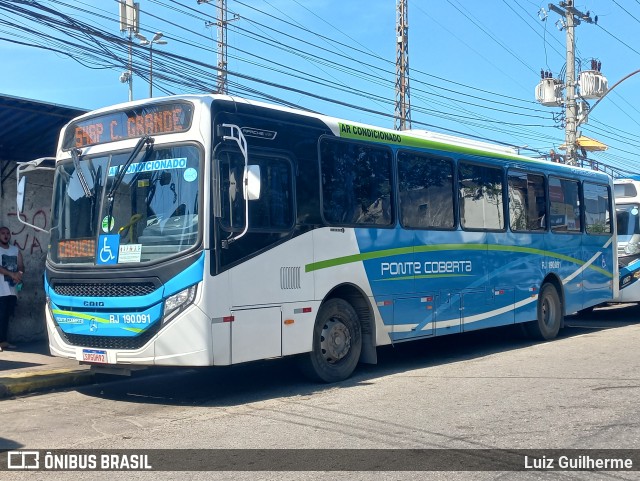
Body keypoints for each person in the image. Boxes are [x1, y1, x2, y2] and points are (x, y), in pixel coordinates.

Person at [0, 226, 24, 351]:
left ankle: (3, 342)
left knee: (6, 316)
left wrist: (19, 274)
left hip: (12, 290)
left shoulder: (15, 250)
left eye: (7, 233)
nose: (5, 235)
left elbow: (21, 265)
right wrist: (11, 274)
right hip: (1, 290)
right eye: (3, 233)